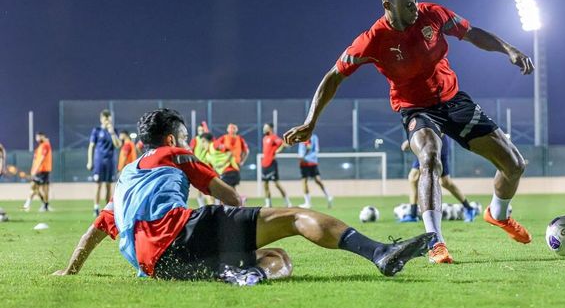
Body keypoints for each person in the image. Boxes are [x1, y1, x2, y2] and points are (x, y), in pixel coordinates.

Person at [284, 0, 534, 264]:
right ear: (388, 4)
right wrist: (311, 122)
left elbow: (473, 33)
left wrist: (509, 49)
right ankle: (435, 242)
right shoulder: (372, 40)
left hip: (454, 101)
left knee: (515, 165)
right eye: (409, 2)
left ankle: (498, 214)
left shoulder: (433, 14)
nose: (416, 6)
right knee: (429, 157)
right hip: (415, 109)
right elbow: (333, 76)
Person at [53, 108, 435, 285]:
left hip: (161, 268)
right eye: (184, 137)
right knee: (294, 217)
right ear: (172, 139)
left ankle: (249, 274)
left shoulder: (123, 181)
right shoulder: (175, 154)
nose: (187, 143)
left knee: (277, 258)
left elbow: (95, 232)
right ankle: (378, 253)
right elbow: (231, 199)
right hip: (182, 234)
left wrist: (70, 269)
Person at [400, 135, 481, 222]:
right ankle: (413, 214)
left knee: (444, 182)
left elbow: (437, 128)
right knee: (415, 178)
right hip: (425, 143)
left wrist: (410, 141)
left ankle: (469, 209)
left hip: (437, 143)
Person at [87, 110, 122, 216]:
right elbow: (91, 146)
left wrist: (111, 132)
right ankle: (96, 208)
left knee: (108, 186)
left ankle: (107, 209)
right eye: (104, 118)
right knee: (98, 185)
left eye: (108, 117)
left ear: (111, 118)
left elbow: (118, 145)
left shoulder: (114, 130)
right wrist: (90, 161)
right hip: (99, 162)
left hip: (110, 162)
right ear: (101, 119)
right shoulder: (96, 131)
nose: (106, 120)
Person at [298, 134, 333, 209]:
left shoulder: (304, 136)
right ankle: (328, 196)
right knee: (317, 180)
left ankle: (308, 203)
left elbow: (307, 147)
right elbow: (316, 149)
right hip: (313, 161)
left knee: (304, 181)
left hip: (305, 162)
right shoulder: (314, 137)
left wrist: (302, 156)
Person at [261, 123, 291, 208]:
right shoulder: (264, 138)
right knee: (265, 184)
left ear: (270, 128)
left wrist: (278, 151)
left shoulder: (274, 137)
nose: (264, 129)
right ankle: (268, 203)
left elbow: (284, 144)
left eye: (265, 127)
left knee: (277, 184)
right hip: (264, 164)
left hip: (272, 163)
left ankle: (287, 202)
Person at [23, 132, 52, 212]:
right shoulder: (39, 148)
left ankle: (43, 205)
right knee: (36, 188)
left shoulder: (45, 145)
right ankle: (44, 205)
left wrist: (35, 170)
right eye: (37, 137)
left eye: (39, 136)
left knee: (42, 189)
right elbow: (35, 160)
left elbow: (42, 158)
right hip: (39, 171)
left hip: (43, 171)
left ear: (43, 136)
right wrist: (33, 170)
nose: (37, 138)